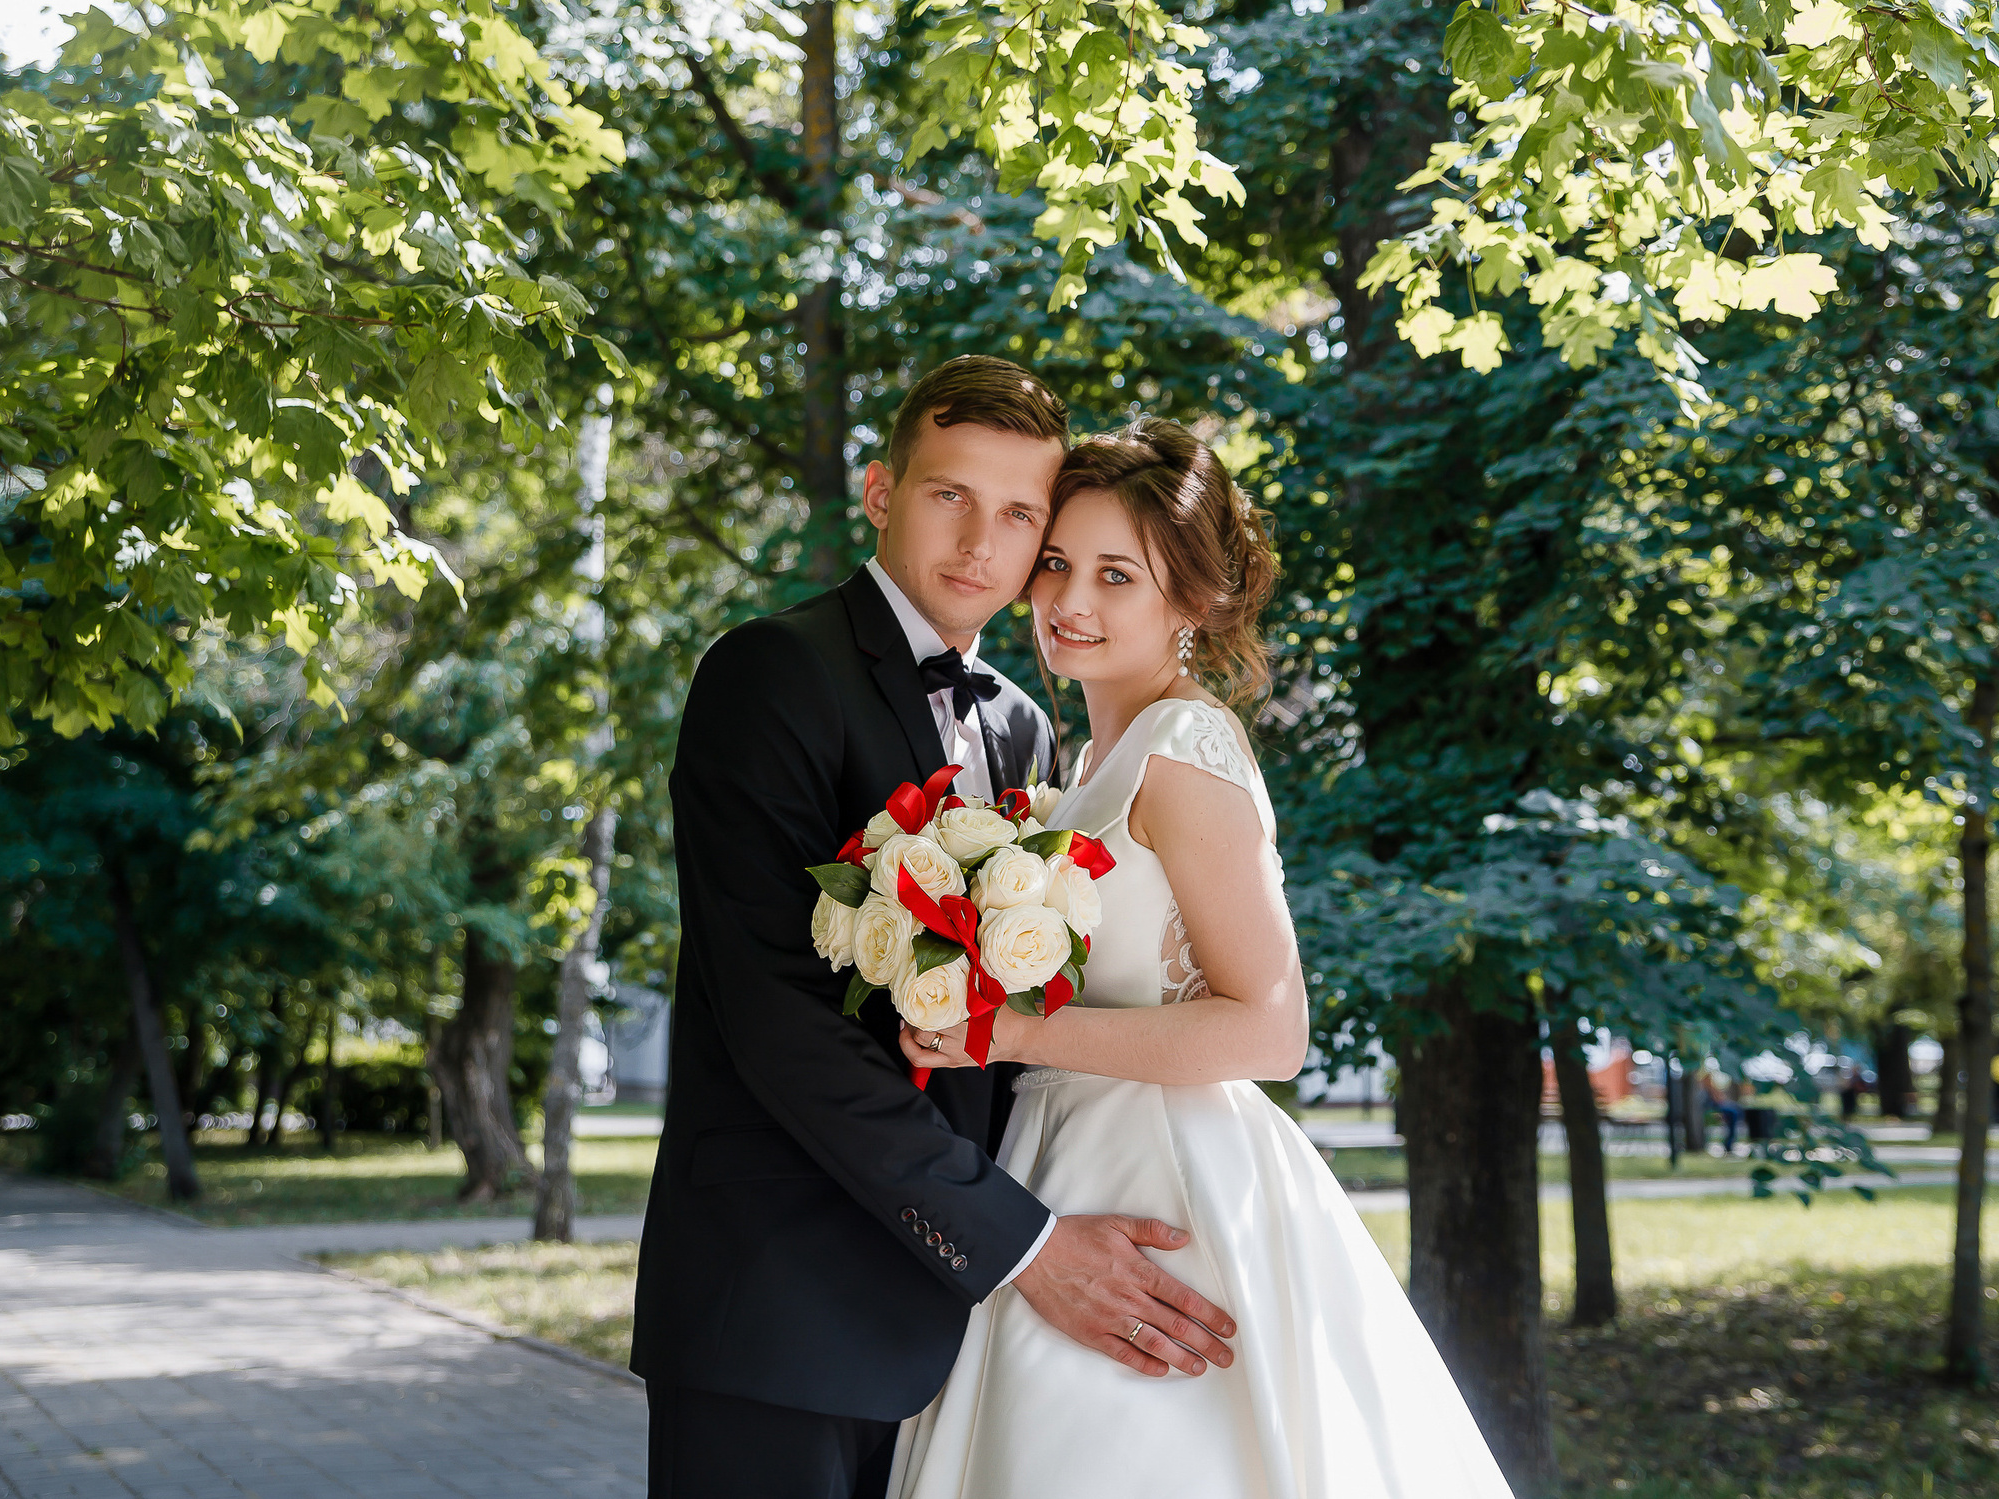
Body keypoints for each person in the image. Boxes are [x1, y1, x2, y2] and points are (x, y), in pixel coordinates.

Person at [633, 359, 1239, 1499]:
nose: (981, 542)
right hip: (780, 1306)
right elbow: (779, 1024)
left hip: (964, 1324)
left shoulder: (1022, 723)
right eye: (948, 495)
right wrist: (1023, 1243)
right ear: (880, 491)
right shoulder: (770, 676)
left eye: (1020, 515)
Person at [889, 418, 1515, 1499]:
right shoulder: (1085, 761)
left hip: (1164, 1172)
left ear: (1190, 600)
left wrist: (1005, 1031)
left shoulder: (1183, 754)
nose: (1068, 602)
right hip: (1054, 1157)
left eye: (1116, 575)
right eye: (1056, 565)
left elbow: (1270, 1029)